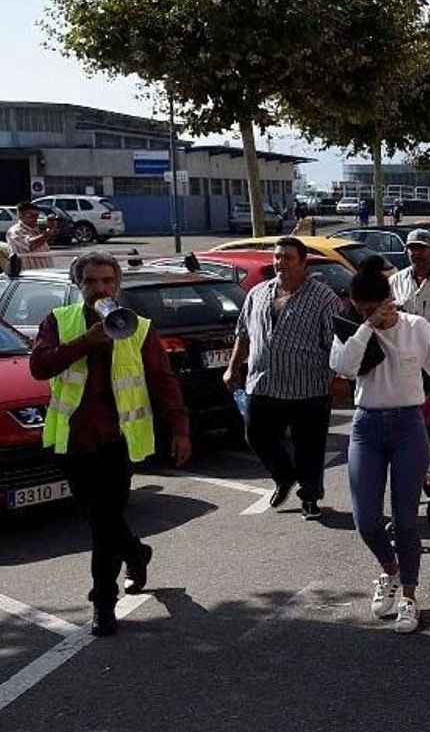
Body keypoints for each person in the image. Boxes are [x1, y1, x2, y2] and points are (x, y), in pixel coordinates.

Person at [31, 252, 192, 635]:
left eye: (107, 281)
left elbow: (162, 380)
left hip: (116, 443)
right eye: (91, 281)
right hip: (74, 440)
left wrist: (180, 428)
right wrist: (86, 341)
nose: (99, 288)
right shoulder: (59, 321)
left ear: (117, 285)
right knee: (98, 518)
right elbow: (40, 367)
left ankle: (103, 603)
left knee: (103, 526)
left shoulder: (138, 327)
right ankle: (136, 553)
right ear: (78, 285)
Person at [330, 258, 430, 635]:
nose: (366, 315)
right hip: (367, 425)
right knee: (365, 519)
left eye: (371, 309)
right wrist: (366, 327)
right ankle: (391, 570)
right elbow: (345, 367)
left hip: (409, 425)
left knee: (406, 518)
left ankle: (409, 595)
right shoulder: (351, 328)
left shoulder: (416, 327)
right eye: (359, 310)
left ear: (389, 300)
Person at [223, 236, 340, 520]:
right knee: (256, 435)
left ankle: (310, 497)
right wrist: (233, 367)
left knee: (309, 449)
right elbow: (243, 333)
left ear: (303, 262)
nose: (280, 262)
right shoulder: (258, 293)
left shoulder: (324, 298)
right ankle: (285, 476)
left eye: (288, 257)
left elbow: (336, 343)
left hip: (308, 388)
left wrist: (338, 377)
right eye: (277, 256)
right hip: (263, 383)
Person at [7, 201, 51, 269]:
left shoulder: (37, 229)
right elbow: (31, 245)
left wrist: (52, 228)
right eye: (31, 216)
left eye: (37, 215)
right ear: (20, 215)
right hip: (29, 273)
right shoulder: (15, 231)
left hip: (46, 271)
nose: (35, 218)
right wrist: (46, 235)